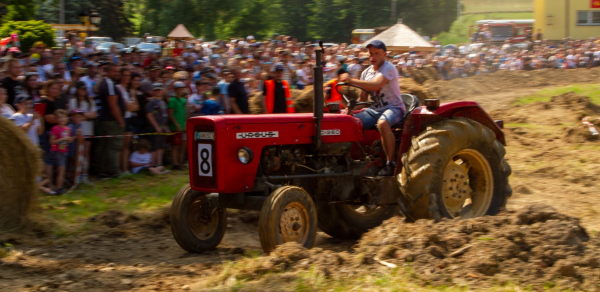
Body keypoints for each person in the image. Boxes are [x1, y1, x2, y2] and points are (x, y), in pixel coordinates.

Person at [339, 40, 405, 176]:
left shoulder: (388, 68)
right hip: (374, 110)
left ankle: (390, 163)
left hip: (394, 108)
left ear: (385, 54)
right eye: (371, 54)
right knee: (347, 122)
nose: (373, 57)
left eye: (377, 54)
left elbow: (375, 85)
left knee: (383, 122)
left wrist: (350, 80)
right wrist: (350, 110)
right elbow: (363, 100)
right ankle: (346, 159)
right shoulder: (366, 72)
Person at [96, 63, 125, 178]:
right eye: (114, 71)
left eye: (118, 71)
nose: (117, 74)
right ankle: (114, 171)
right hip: (111, 121)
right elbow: (113, 105)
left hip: (105, 120)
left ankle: (101, 170)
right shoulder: (108, 83)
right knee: (113, 146)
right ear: (107, 72)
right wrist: (120, 120)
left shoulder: (107, 83)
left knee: (104, 146)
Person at [68, 81, 97, 183]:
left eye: (84, 89)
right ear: (77, 90)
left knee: (86, 153)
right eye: (80, 89)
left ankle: (85, 175)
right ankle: (78, 175)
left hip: (88, 129)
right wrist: (86, 116)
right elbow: (73, 116)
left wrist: (82, 116)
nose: (82, 91)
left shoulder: (90, 101)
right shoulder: (73, 101)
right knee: (78, 153)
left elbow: (94, 115)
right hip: (78, 131)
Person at [116, 67, 139, 174]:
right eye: (124, 75)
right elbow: (127, 106)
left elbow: (136, 107)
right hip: (122, 118)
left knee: (127, 145)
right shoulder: (118, 88)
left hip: (130, 119)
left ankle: (125, 169)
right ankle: (118, 168)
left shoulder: (130, 90)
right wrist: (131, 106)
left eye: (128, 76)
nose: (126, 78)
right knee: (120, 145)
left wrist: (131, 106)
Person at [49, 109, 74, 194]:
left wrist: (70, 139)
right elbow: (51, 142)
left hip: (64, 151)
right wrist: (62, 139)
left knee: (62, 170)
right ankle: (59, 188)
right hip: (57, 152)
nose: (61, 119)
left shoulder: (68, 129)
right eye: (59, 118)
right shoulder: (55, 128)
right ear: (56, 120)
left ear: (67, 118)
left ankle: (59, 187)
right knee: (61, 170)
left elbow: (68, 140)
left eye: (63, 117)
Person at [146, 83, 169, 166]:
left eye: (159, 90)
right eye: (156, 90)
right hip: (154, 128)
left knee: (160, 146)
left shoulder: (163, 102)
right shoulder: (151, 101)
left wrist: (166, 127)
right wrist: (156, 127)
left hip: (162, 128)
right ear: (153, 91)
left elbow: (165, 115)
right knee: (154, 147)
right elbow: (149, 114)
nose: (158, 92)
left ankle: (159, 164)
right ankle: (153, 164)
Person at [168, 81, 188, 170]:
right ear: (175, 90)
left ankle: (181, 163)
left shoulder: (183, 100)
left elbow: (184, 113)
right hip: (175, 127)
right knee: (175, 145)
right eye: (178, 89)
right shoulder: (172, 100)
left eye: (181, 89)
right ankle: (175, 163)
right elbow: (170, 114)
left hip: (182, 126)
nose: (180, 91)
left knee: (182, 146)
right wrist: (177, 125)